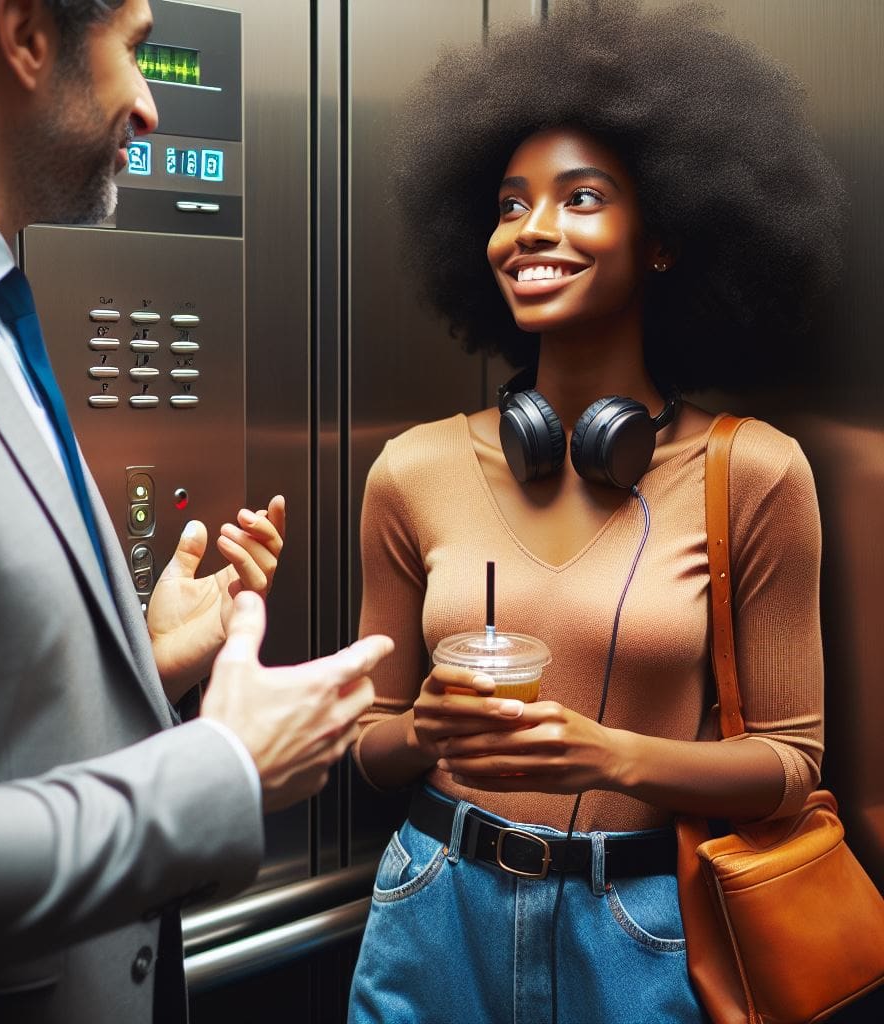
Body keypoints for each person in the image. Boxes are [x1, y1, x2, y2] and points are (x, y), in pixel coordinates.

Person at [0, 2, 392, 1022]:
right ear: (22, 36)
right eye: (135, 49)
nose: (149, 107)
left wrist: (142, 668)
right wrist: (223, 769)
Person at [347, 2, 844, 1022]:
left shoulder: (752, 471)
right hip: (434, 905)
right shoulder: (411, 469)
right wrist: (422, 734)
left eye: (580, 198)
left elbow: (791, 769)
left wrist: (609, 755)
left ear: (660, 238)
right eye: (508, 202)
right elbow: (366, 740)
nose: (532, 229)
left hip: (642, 929)